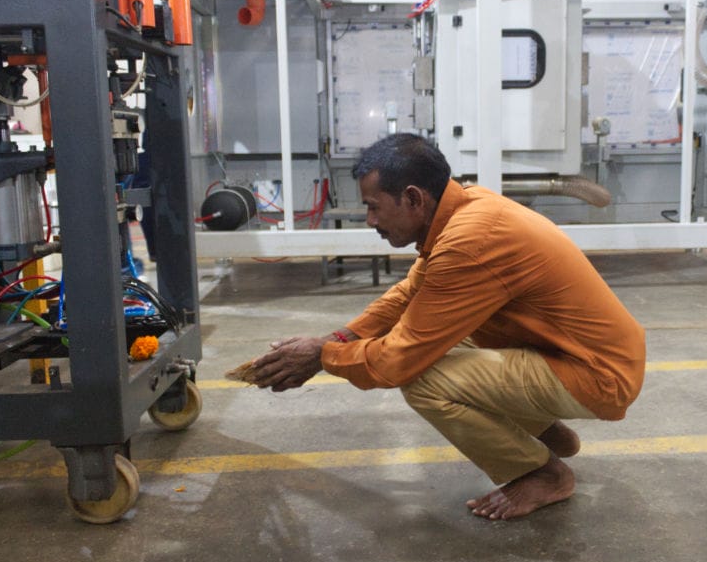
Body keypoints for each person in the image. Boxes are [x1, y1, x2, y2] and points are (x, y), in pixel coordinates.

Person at [244, 133, 646, 520]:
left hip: (598, 375)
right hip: (578, 353)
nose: (369, 220)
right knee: (446, 340)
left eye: (373, 206)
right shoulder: (467, 208)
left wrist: (322, 356)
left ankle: (542, 474)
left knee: (423, 377)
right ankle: (545, 432)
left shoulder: (470, 241)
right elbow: (407, 296)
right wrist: (339, 339)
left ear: (414, 198)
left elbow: (395, 362)